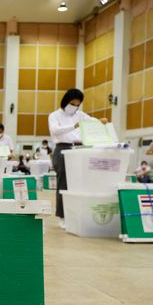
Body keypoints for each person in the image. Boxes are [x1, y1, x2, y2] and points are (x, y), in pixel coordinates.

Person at [48, 88, 107, 224]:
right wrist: (73, 126)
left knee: (80, 183)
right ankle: (62, 217)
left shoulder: (80, 115)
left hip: (80, 149)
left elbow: (92, 121)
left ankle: (77, 215)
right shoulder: (54, 115)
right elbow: (55, 130)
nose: (74, 107)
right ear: (66, 101)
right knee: (64, 183)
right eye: (72, 104)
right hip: (63, 149)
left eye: (77, 104)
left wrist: (100, 121)